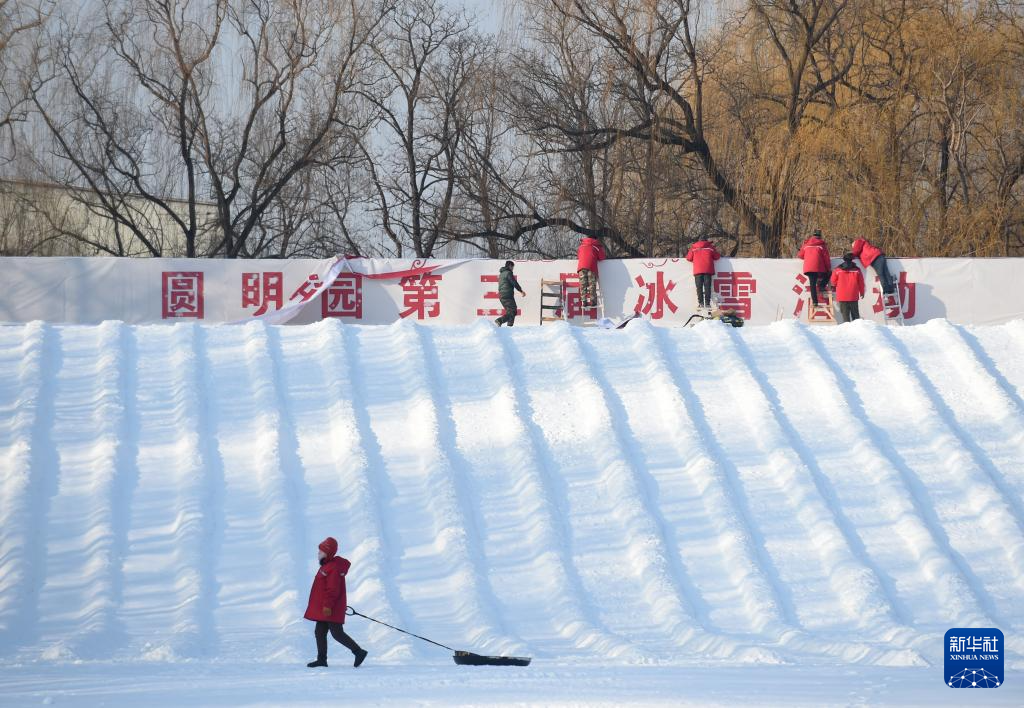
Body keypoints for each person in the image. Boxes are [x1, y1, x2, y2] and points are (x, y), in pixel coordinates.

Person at [305, 537, 367, 668]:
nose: (318, 554)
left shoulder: (333, 567)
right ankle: (321, 660)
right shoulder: (327, 566)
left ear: (328, 553)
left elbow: (333, 589)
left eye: (321, 552)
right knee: (319, 632)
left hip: (329, 607)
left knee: (337, 633)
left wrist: (328, 605)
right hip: (325, 608)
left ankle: (358, 652)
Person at [797, 229, 831, 306]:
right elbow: (826, 258)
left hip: (808, 269)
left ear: (813, 235)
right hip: (819, 268)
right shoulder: (822, 245)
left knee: (812, 285)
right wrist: (828, 268)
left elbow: (800, 255)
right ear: (820, 236)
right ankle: (821, 285)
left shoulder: (806, 245)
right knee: (828, 274)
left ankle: (815, 302)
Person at [685, 239, 721, 310]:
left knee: (699, 287)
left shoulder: (693, 247)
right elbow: (717, 257)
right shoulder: (710, 247)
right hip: (708, 269)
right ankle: (707, 304)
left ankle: (701, 303)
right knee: (707, 287)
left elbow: (688, 258)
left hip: (698, 270)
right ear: (706, 241)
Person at [829, 253, 865, 322]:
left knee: (845, 316)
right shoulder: (857, 270)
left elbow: (833, 281)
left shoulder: (837, 270)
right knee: (856, 317)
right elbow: (861, 282)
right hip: (853, 295)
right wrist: (862, 292)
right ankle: (857, 331)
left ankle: (847, 331)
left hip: (842, 296)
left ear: (844, 259)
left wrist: (839, 285)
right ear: (852, 260)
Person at [576, 236, 606, 307]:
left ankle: (584, 301)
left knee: (583, 285)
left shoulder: (581, 246)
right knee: (592, 285)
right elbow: (602, 257)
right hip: (591, 267)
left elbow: (578, 256)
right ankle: (593, 301)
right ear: (595, 239)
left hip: (581, 267)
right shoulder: (596, 246)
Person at [494, 260, 526, 326]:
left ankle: (509, 328)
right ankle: (500, 320)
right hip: (507, 295)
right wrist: (521, 291)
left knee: (510, 312)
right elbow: (514, 283)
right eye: (513, 267)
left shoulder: (501, 274)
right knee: (513, 311)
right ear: (510, 266)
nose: (513, 269)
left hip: (501, 296)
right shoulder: (508, 273)